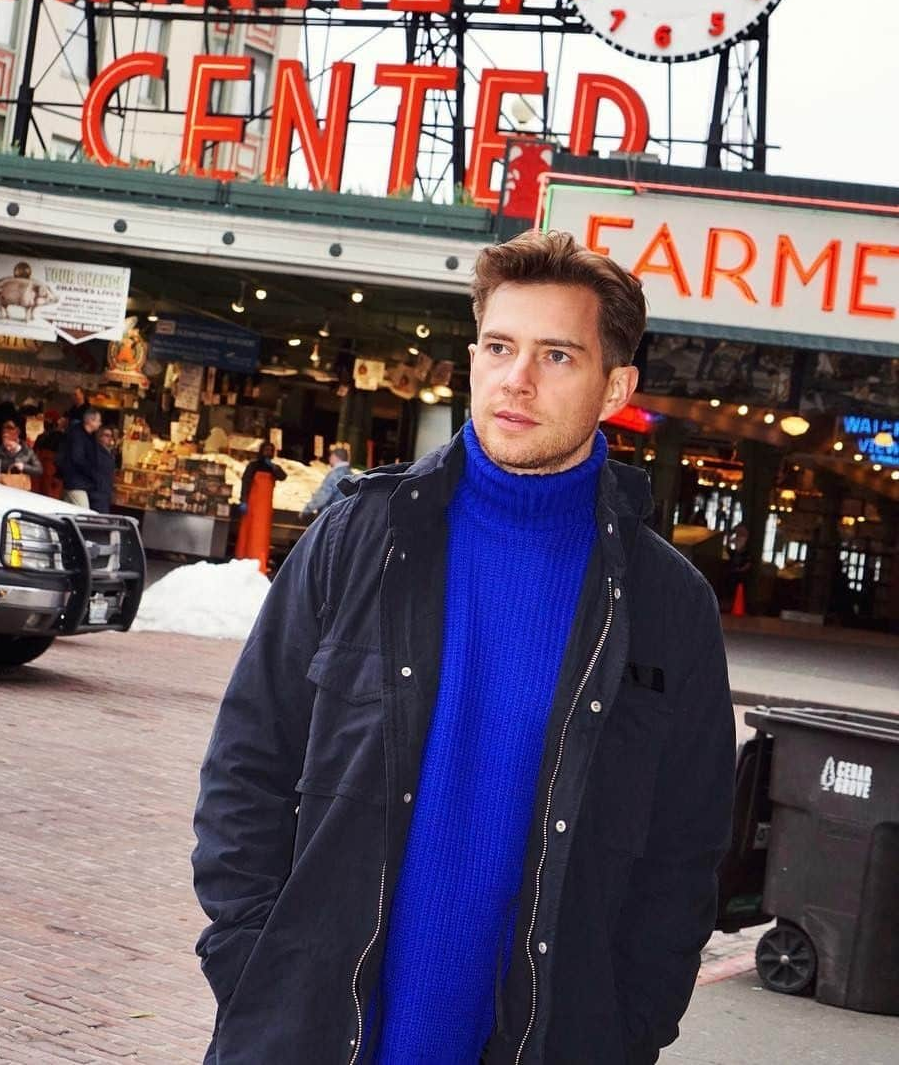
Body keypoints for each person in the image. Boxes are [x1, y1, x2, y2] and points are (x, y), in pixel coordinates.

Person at [192, 230, 735, 1065]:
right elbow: (248, 762)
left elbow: (683, 856)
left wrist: (627, 1032)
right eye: (499, 347)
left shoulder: (669, 606)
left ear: (615, 386)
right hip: (314, 1034)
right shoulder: (360, 538)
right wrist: (253, 959)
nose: (516, 380)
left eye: (557, 355)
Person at [234, 441, 286, 575]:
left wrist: (274, 468)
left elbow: (283, 476)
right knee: (248, 534)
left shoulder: (274, 469)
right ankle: (244, 559)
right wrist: (243, 501)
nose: (268, 453)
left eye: (270, 450)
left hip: (265, 509)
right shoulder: (253, 466)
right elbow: (245, 483)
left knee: (261, 536)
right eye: (266, 450)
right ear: (261, 451)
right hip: (252, 507)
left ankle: (259, 561)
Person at [57, 406, 102, 508]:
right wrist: (92, 472)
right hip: (76, 482)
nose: (100, 423)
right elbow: (78, 458)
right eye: (98, 420)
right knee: (83, 513)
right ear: (90, 421)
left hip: (77, 482)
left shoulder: (88, 436)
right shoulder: (78, 435)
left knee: (68, 512)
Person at [0, 421, 42, 489]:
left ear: (16, 441)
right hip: (3, 486)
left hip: (21, 488)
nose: (8, 448)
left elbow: (39, 470)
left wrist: (24, 467)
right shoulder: (0, 450)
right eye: (6, 445)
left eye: (10, 445)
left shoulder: (27, 452)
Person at [300, 443, 354, 519]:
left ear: (335, 457)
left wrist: (307, 510)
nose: (329, 458)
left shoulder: (335, 474)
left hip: (331, 516)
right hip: (344, 517)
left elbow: (323, 495)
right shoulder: (351, 475)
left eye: (331, 456)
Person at [33, 410, 67, 499]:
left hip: (50, 476)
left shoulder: (59, 438)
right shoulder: (42, 437)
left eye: (48, 420)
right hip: (42, 476)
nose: (46, 422)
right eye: (45, 420)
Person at [89, 425, 118, 513]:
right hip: (97, 494)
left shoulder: (109, 453)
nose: (110, 438)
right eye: (106, 435)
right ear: (99, 437)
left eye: (111, 436)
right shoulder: (95, 453)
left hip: (104, 495)